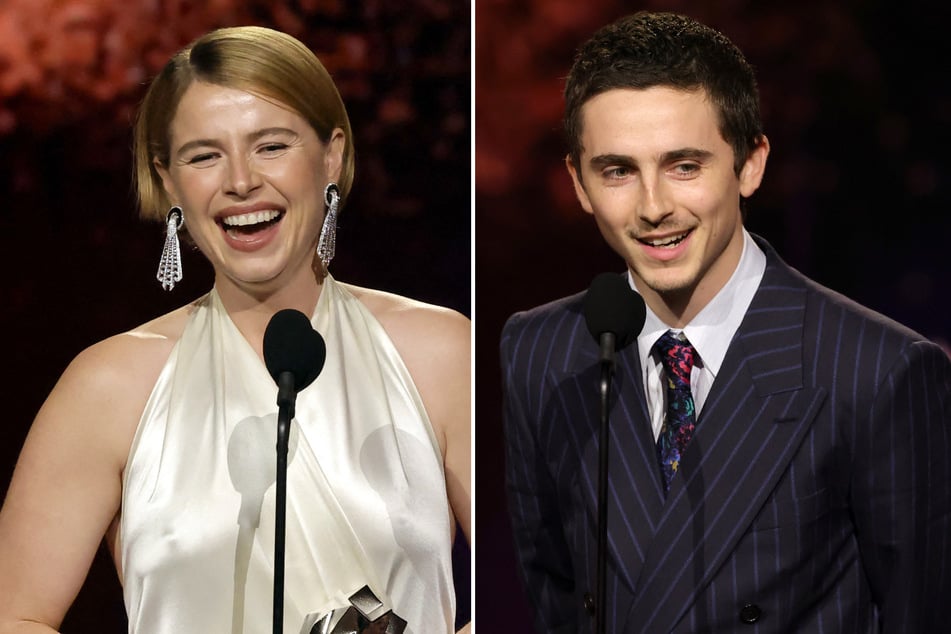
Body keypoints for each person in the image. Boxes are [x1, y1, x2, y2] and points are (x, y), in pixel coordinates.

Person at [0, 26, 470, 634]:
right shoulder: (108, 385)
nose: (241, 180)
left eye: (271, 146)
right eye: (204, 155)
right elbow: (16, 614)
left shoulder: (441, 352)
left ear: (331, 157)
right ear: (168, 180)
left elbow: (535, 589)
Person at [501, 11, 950, 633]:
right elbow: (553, 592)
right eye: (619, 171)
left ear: (750, 164)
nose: (654, 207)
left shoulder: (879, 370)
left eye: (685, 166)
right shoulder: (539, 351)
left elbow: (919, 613)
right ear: (579, 183)